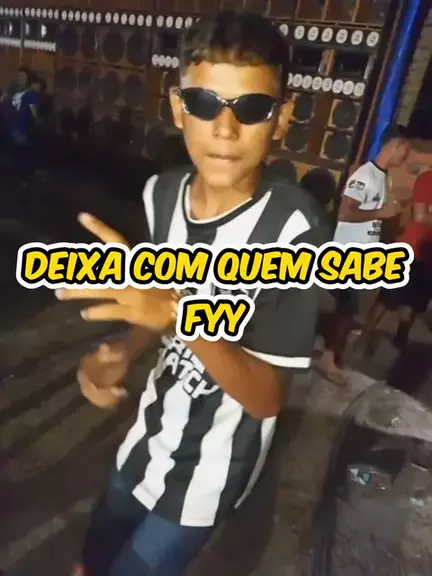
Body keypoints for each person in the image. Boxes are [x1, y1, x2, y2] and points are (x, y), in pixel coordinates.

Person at [55, 11, 329, 576]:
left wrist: (183, 316)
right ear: (179, 107)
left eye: (252, 108)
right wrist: (123, 352)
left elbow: (267, 398)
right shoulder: (161, 194)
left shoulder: (294, 231)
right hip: (144, 442)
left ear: (283, 117)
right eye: (205, 103)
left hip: (207, 477)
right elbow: (155, 300)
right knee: (89, 565)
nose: (225, 129)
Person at [316, 129, 411, 385]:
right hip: (347, 253)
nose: (407, 155)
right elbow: (345, 213)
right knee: (345, 310)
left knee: (344, 309)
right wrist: (381, 213)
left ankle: (331, 354)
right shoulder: (365, 175)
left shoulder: (383, 177)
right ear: (396, 145)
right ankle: (328, 359)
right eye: (406, 149)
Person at [356, 168, 432, 352]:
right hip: (411, 250)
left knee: (415, 302)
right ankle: (363, 339)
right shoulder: (428, 179)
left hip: (428, 254)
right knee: (387, 299)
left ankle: (400, 340)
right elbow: (420, 216)